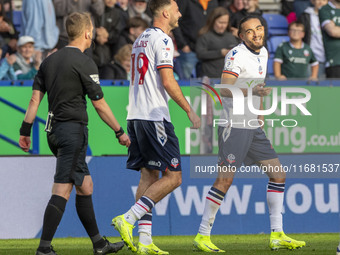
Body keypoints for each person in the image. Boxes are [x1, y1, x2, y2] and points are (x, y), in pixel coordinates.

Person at [18, 12, 130, 255]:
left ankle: (99, 244)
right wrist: (119, 131)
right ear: (88, 33)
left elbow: (35, 99)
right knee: (62, 190)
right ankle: (44, 248)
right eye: (92, 32)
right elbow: (99, 104)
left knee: (85, 186)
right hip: (73, 134)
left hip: (54, 133)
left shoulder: (49, 61)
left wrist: (25, 130)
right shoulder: (85, 62)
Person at [193, 16, 306, 252]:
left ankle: (277, 234)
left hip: (252, 125)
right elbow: (224, 88)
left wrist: (260, 112)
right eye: (249, 31)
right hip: (234, 125)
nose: (256, 33)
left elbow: (260, 87)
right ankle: (202, 235)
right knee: (225, 181)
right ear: (241, 36)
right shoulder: (235, 55)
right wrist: (251, 90)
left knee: (278, 175)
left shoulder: (263, 52)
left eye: (259, 28)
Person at [110, 0, 201, 254]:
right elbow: (168, 81)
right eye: (176, 9)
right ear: (165, 12)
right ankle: (127, 219)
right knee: (174, 177)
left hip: (135, 115)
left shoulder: (141, 38)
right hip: (154, 116)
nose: (180, 13)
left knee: (149, 176)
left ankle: (145, 240)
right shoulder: (162, 40)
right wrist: (188, 109)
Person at [172, 0, 219, 79]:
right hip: (189, 50)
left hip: (207, 51)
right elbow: (175, 21)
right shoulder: (185, 1)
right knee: (186, 85)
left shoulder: (213, 2)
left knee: (205, 86)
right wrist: (183, 45)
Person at [196, 7, 238, 78]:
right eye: (220, 22)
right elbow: (200, 54)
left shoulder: (231, 36)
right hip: (210, 77)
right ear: (213, 21)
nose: (223, 26)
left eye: (225, 23)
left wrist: (241, 36)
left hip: (228, 77)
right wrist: (220, 53)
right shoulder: (205, 36)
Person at [299, 0, 327, 78]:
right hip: (310, 59)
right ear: (312, 1)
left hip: (329, 59)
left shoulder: (334, 16)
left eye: (324, 0)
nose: (321, 1)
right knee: (310, 86)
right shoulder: (305, 15)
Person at [319, 0, 340, 78]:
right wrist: (334, 29)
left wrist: (336, 27)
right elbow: (332, 31)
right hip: (335, 62)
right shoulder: (325, 9)